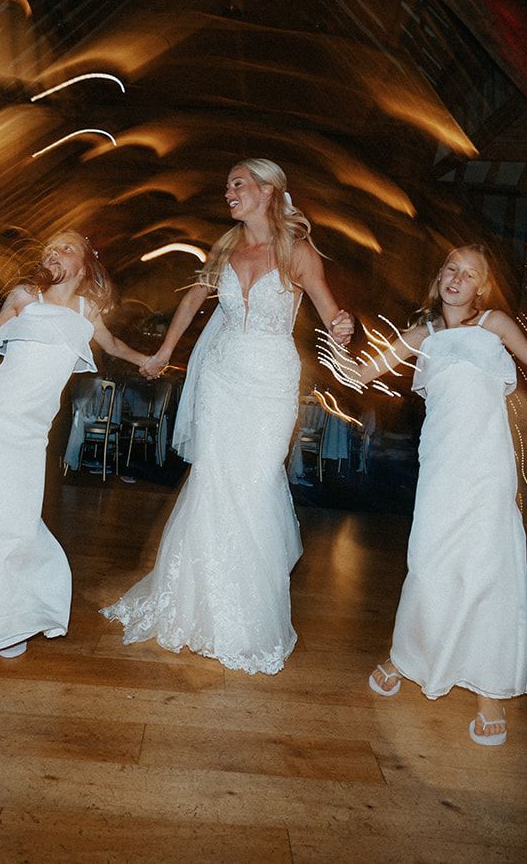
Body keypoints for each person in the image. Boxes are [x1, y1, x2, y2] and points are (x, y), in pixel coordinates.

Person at [101, 158, 353, 674]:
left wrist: (345, 329)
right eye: (227, 184)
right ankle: (198, 609)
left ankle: (249, 617)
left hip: (271, 380)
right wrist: (163, 352)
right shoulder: (225, 247)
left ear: (266, 190)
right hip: (221, 377)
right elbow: (194, 301)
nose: (229, 192)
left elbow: (332, 317)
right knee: (214, 483)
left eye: (237, 183)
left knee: (257, 483)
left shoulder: (298, 253)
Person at [345, 245, 527, 746]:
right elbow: (360, 374)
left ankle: (489, 688)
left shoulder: (495, 324)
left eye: (470, 273)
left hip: (487, 467)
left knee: (487, 563)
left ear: (481, 287)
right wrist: (339, 336)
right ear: (439, 278)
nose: (457, 278)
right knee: (430, 559)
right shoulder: (422, 334)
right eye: (450, 268)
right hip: (440, 465)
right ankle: (407, 656)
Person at [0, 232, 150, 671]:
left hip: (33, 430)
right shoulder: (25, 296)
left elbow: (116, 348)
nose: (52, 252)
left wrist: (150, 359)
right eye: (49, 247)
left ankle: (7, 620)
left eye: (65, 247)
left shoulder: (88, 311)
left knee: (17, 520)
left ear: (84, 267)